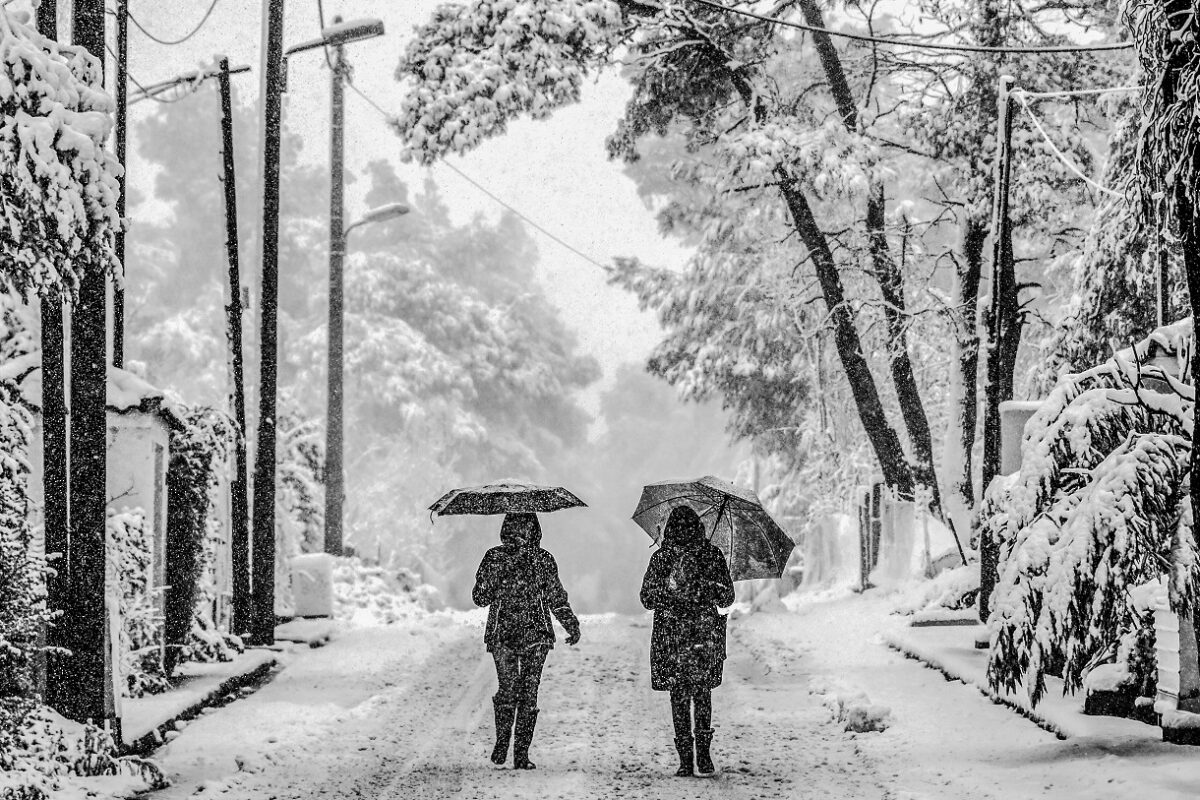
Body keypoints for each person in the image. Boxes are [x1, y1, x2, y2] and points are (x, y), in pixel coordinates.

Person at [473, 512, 581, 770]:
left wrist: (570, 622)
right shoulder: (496, 558)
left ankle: (520, 752)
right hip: (509, 635)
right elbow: (480, 596)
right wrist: (500, 572)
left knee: (524, 693)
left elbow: (555, 595)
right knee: (514, 690)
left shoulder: (540, 559)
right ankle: (505, 744)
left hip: (532, 636)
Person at [640, 505, 735, 777]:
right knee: (701, 693)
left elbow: (647, 598)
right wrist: (706, 587)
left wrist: (671, 594)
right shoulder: (712, 555)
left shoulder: (662, 558)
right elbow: (727, 597)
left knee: (679, 696)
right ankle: (703, 757)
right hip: (703, 636)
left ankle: (686, 761)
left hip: (672, 638)